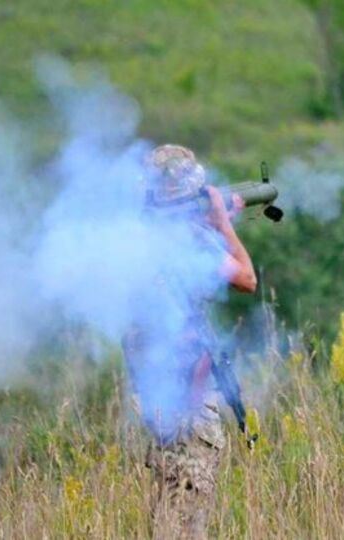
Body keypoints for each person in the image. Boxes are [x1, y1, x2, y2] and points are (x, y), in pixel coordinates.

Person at [121, 144, 256, 540]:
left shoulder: (135, 237)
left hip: (156, 392)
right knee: (187, 509)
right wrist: (223, 226)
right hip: (186, 395)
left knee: (171, 502)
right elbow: (246, 279)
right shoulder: (190, 239)